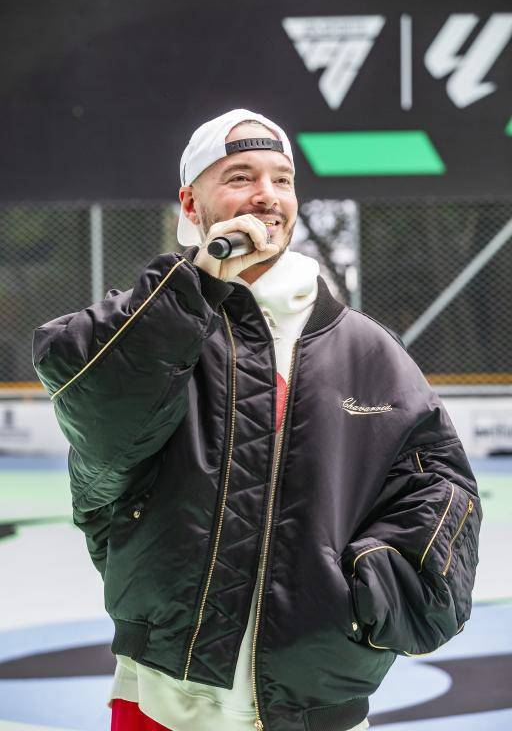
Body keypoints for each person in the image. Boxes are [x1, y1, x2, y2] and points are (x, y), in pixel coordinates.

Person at [32, 109, 482, 731]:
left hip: (315, 701)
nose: (266, 196)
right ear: (192, 202)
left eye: (282, 179)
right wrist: (197, 284)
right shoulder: (147, 328)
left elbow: (441, 491)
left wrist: (366, 592)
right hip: (164, 694)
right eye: (240, 176)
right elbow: (98, 415)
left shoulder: (367, 350)